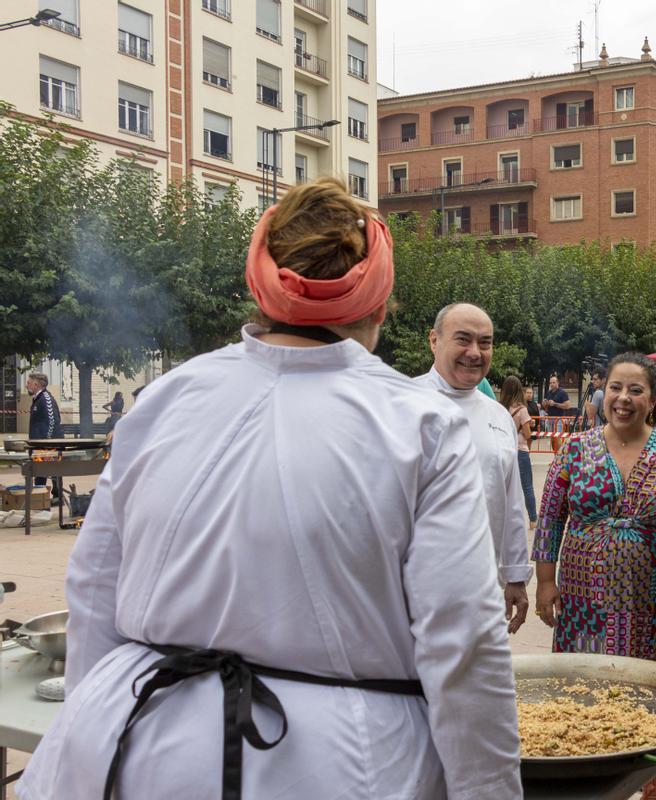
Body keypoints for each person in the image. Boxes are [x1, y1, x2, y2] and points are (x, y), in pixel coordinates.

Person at [17, 178, 522, 800]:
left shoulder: (165, 399)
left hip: (135, 741)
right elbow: (463, 639)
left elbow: (94, 590)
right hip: (342, 765)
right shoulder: (423, 424)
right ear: (379, 306)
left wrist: (93, 728)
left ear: (259, 290)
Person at [533, 352, 656, 800]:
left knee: (655, 692)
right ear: (602, 392)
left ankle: (653, 787)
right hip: (584, 597)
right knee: (583, 688)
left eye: (635, 390)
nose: (623, 398)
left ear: (654, 399)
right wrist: (546, 582)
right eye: (615, 388)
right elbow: (549, 520)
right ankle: (591, 782)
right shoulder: (575, 448)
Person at [416, 303, 532, 634]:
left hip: (483, 591)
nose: (474, 352)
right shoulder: (400, 404)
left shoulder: (498, 415)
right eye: (463, 339)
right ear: (434, 340)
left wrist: (515, 575)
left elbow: (511, 501)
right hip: (413, 596)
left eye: (485, 343)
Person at [499, 375, 538, 529]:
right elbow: (527, 435)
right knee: (527, 486)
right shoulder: (522, 410)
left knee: (505, 486)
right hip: (520, 451)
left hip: (503, 450)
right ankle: (533, 520)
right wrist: (527, 425)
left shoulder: (500, 408)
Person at [25, 371, 63, 501]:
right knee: (40, 473)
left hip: (48, 445)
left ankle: (53, 498)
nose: (26, 385)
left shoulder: (46, 398)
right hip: (40, 445)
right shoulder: (38, 399)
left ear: (37, 384)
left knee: (49, 471)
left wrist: (46, 444)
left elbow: (52, 421)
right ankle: (40, 499)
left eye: (29, 383)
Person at [541, 374, 573, 451]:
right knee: (552, 439)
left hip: (559, 419)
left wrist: (555, 404)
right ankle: (555, 456)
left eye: (553, 382)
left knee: (558, 438)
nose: (552, 384)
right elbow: (546, 408)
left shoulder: (562, 392)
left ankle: (560, 456)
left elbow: (568, 405)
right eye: (550, 383)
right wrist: (544, 404)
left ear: (557, 383)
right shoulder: (548, 392)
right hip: (550, 418)